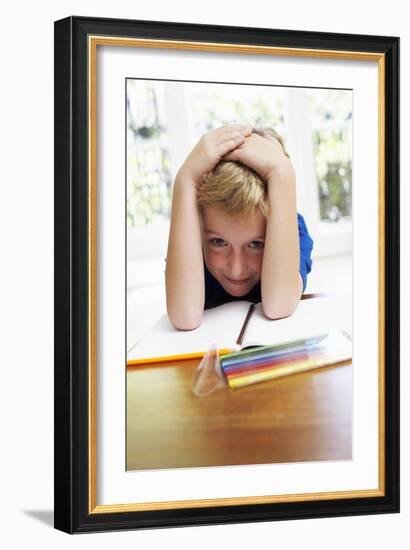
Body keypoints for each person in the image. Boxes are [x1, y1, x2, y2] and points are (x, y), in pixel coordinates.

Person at [165, 124, 313, 330]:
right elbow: (185, 317)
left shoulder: (294, 232)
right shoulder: (190, 234)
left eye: (256, 244)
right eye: (218, 242)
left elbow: (279, 305)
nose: (236, 269)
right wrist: (186, 179)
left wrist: (282, 172)